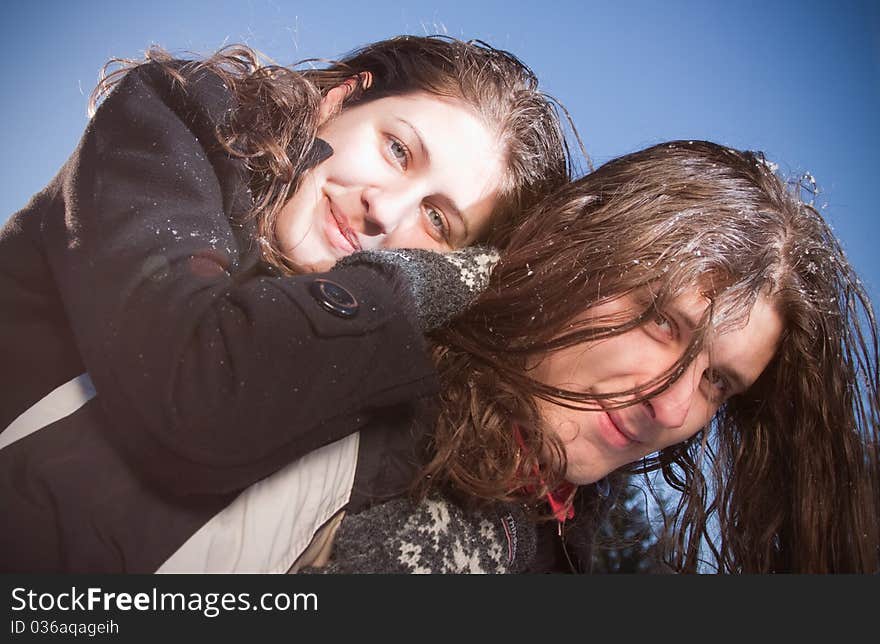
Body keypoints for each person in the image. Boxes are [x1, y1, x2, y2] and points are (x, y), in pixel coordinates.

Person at [0, 35, 574, 572]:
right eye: (398, 150)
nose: (386, 210)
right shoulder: (178, 119)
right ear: (339, 99)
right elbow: (193, 382)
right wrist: (413, 288)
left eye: (437, 219)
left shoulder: (373, 391)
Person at [304, 140, 880, 574]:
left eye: (717, 382)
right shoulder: (349, 378)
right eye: (663, 322)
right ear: (582, 245)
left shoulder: (563, 539)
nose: (673, 408)